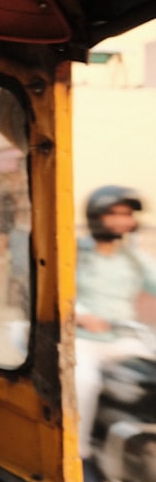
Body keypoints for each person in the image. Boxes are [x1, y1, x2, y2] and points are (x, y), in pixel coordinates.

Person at [74, 185, 156, 460]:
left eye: (128, 214)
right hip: (84, 339)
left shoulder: (134, 257)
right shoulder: (76, 253)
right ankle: (78, 454)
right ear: (96, 216)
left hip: (123, 337)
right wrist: (83, 314)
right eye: (115, 214)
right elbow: (59, 291)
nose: (123, 220)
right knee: (84, 381)